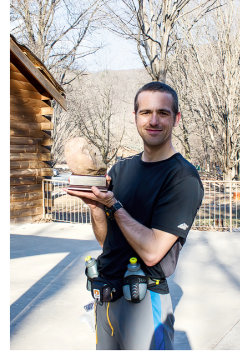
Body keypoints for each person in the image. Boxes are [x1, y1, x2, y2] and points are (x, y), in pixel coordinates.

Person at [65, 81, 204, 350]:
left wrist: (115, 205)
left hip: (144, 300)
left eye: (163, 113)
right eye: (145, 112)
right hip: (105, 298)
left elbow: (152, 252)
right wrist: (96, 207)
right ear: (135, 117)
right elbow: (108, 243)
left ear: (176, 119)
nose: (153, 120)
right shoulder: (120, 170)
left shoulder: (182, 177)